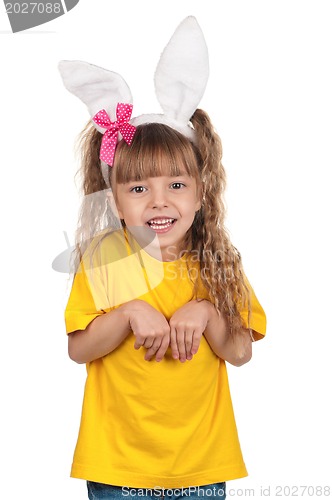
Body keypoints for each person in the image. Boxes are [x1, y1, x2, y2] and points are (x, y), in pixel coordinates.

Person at [60, 17, 266, 500]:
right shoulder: (105, 259)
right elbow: (79, 350)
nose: (158, 201)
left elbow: (239, 352)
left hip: (200, 466)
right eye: (138, 188)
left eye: (176, 185)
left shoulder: (217, 261)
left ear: (200, 194)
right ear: (115, 201)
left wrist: (209, 312)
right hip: (117, 467)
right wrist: (129, 313)